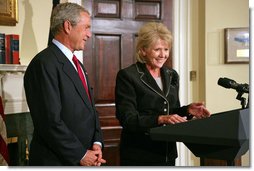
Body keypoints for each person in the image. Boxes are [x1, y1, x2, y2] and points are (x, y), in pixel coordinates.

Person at [115, 22, 211, 166]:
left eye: (166, 49)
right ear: (143, 50)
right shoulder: (128, 76)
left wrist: (187, 110)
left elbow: (170, 111)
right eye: (157, 50)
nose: (163, 55)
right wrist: (160, 119)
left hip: (167, 154)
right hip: (139, 154)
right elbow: (127, 119)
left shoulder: (171, 75)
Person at [24, 2, 106, 166]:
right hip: (56, 161)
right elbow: (50, 121)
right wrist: (81, 154)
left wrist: (97, 142)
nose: (89, 34)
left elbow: (90, 109)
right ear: (68, 26)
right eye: (86, 27)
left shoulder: (77, 64)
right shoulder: (43, 64)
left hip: (83, 158)